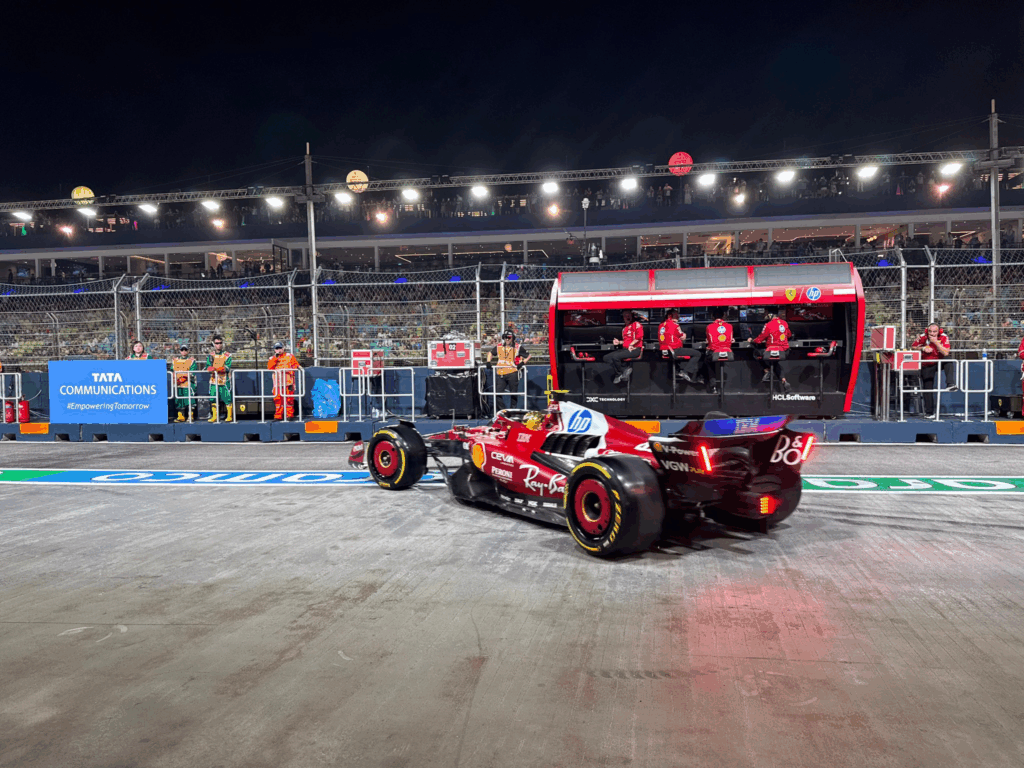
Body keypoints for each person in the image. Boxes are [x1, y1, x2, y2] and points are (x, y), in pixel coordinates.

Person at [911, 323, 955, 418]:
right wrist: (922, 348)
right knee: (927, 387)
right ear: (927, 331)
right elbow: (913, 347)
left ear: (939, 331)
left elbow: (946, 352)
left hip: (938, 361)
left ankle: (950, 384)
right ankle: (929, 412)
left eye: (934, 331)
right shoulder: (923, 337)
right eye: (930, 331)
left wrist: (936, 343)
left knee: (948, 360)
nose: (932, 333)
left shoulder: (943, 337)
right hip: (927, 364)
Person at [750, 308, 792, 393]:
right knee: (775, 362)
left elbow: (760, 339)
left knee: (756, 353)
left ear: (770, 315)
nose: (765, 315)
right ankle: (784, 381)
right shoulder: (784, 323)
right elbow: (789, 335)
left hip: (771, 351)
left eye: (766, 313)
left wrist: (752, 340)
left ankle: (767, 370)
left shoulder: (768, 324)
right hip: (785, 351)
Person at [486, 331, 531, 410]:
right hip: (500, 373)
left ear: (512, 338)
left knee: (514, 394)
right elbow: (490, 353)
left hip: (512, 372)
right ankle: (503, 411)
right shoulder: (499, 346)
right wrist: (488, 362)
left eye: (509, 337)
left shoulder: (517, 346)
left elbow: (529, 355)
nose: (507, 339)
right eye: (505, 337)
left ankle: (512, 411)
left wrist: (522, 363)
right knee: (497, 394)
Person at [658, 308, 701, 384]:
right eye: (676, 315)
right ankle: (685, 371)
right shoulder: (675, 325)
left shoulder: (661, 325)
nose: (678, 317)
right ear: (670, 316)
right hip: (674, 350)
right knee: (698, 354)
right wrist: (684, 334)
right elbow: (683, 336)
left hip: (664, 351)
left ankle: (678, 370)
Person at [604, 309, 643, 385]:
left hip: (635, 349)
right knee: (606, 358)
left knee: (616, 357)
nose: (627, 317)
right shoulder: (624, 328)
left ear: (631, 315)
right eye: (625, 315)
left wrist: (631, 344)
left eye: (628, 315)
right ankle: (623, 371)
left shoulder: (636, 324)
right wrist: (618, 342)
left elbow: (639, 337)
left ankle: (620, 373)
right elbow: (625, 341)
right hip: (625, 349)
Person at [703, 308, 734, 394]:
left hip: (715, 353)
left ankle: (713, 386)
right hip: (728, 352)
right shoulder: (730, 326)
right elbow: (730, 339)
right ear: (723, 316)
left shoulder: (709, 326)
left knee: (707, 360)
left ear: (712, 317)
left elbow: (710, 342)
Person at [267, 342, 301, 420]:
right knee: (278, 399)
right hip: (277, 383)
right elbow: (270, 367)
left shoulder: (289, 356)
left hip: (288, 382)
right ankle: (278, 416)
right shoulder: (272, 358)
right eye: (277, 348)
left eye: (280, 348)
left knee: (289, 399)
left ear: (283, 348)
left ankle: (289, 415)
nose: (278, 350)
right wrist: (276, 358)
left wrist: (299, 368)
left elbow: (295, 365)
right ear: (274, 350)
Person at [205, 335, 233, 422]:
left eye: (220, 343)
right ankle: (215, 416)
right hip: (214, 380)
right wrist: (210, 369)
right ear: (214, 344)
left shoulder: (227, 355)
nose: (219, 345)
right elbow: (208, 367)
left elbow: (227, 367)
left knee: (227, 398)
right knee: (213, 398)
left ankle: (229, 416)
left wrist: (216, 369)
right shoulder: (211, 355)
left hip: (224, 380)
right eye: (217, 343)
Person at [171, 344, 197, 422]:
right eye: (182, 350)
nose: (184, 351)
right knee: (179, 400)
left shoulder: (192, 361)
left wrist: (183, 379)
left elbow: (192, 372)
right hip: (178, 384)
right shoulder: (175, 360)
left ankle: (190, 416)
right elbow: (172, 370)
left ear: (188, 351)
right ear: (180, 351)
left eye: (186, 350)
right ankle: (180, 416)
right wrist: (175, 380)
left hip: (188, 384)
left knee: (190, 400)